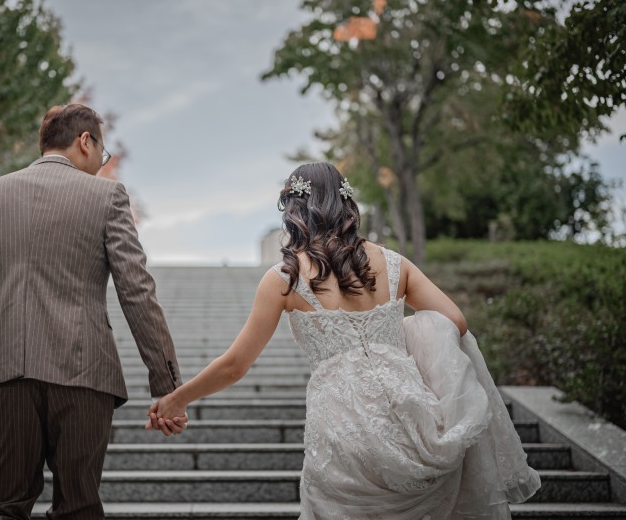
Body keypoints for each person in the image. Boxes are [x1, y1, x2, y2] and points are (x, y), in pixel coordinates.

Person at [147, 162, 541, 518]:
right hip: (412, 415)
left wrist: (177, 399)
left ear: (295, 210)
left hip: (341, 426)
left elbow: (235, 365)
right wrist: (395, 344)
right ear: (345, 203)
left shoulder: (283, 278)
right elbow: (454, 320)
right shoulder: (393, 263)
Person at [0, 103, 186, 519]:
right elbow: (137, 290)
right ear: (85, 142)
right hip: (84, 375)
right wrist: (167, 386)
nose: (101, 166)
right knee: (79, 508)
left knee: (4, 507)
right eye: (102, 155)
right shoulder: (108, 197)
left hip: (0, 376)